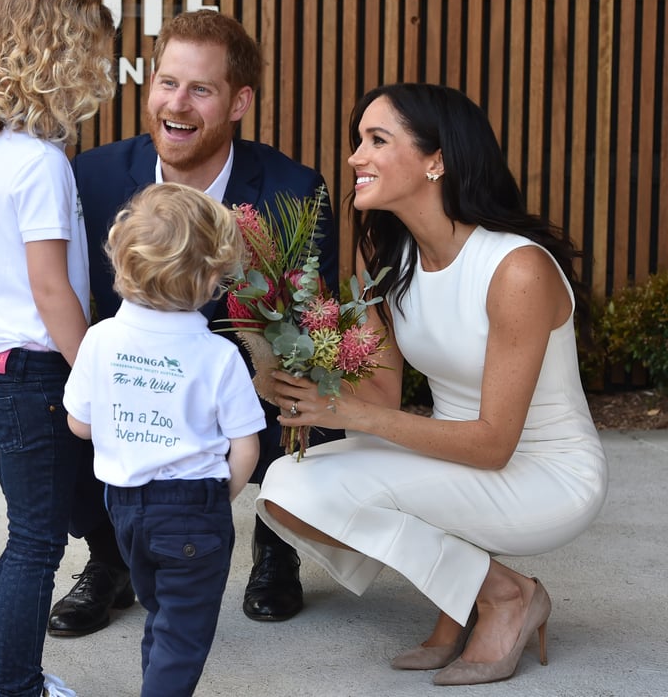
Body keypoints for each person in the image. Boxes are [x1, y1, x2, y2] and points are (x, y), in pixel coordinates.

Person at [256, 83, 609, 686]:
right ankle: (473, 594)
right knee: (285, 488)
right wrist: (295, 378)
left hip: (542, 474)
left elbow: (494, 443)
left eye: (376, 140)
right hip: (450, 454)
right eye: (357, 141)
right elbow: (381, 401)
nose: (354, 158)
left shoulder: (515, 268)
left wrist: (349, 414)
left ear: (435, 160)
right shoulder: (385, 260)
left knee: (312, 490)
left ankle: (504, 598)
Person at [48, 9, 341, 639]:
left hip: (247, 380)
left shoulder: (293, 189)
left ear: (239, 102)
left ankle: (277, 540)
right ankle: (109, 558)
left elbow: (315, 322)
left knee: (316, 380)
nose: (176, 104)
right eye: (167, 82)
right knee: (52, 394)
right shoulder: (91, 178)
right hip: (133, 378)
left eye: (200, 89)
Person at [0, 0, 116, 695]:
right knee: (35, 540)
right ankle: (10, 685)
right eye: (94, 53)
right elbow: (51, 290)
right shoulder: (43, 164)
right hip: (32, 376)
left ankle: (117, 567)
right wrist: (95, 376)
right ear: (59, 54)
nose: (101, 70)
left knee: (58, 511)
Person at [64, 182, 263, 696]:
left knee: (160, 612)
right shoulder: (218, 355)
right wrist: (218, 500)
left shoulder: (101, 338)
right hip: (195, 508)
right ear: (213, 276)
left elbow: (79, 424)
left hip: (126, 508)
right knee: (183, 628)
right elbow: (246, 448)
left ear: (122, 261)